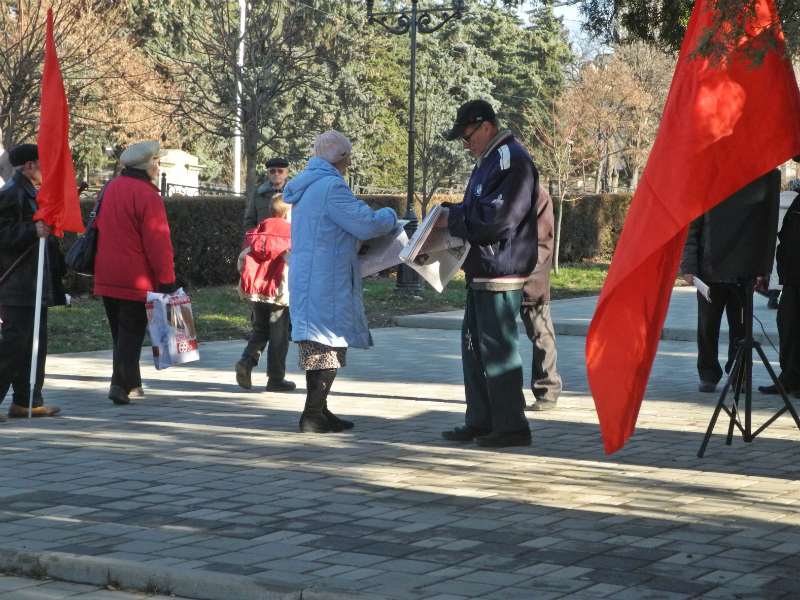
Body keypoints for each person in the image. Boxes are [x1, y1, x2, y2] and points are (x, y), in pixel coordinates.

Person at [438, 99, 539, 448]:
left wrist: (452, 218)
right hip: (483, 270)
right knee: (474, 350)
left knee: (497, 353)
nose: (465, 145)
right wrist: (449, 212)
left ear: (485, 126)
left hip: (501, 271)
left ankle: (511, 426)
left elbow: (498, 219)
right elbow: (477, 209)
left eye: (467, 137)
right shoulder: (490, 158)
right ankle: (481, 420)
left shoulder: (511, 158)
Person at [284, 130, 397, 433]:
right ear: (341, 157)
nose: (349, 163)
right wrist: (391, 214)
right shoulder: (331, 187)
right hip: (326, 280)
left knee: (319, 344)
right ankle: (312, 414)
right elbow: (367, 223)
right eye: (348, 157)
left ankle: (319, 410)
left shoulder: (307, 185)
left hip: (310, 277)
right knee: (327, 345)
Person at [93, 141, 177, 406]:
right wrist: (167, 279)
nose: (158, 167)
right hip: (136, 278)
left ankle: (132, 381)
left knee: (119, 332)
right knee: (131, 333)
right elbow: (158, 241)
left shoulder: (109, 188)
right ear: (147, 166)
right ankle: (118, 385)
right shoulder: (148, 195)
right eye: (157, 162)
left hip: (106, 273)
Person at [0, 144, 64, 419]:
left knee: (34, 345)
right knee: (13, 346)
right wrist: (31, 229)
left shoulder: (32, 192)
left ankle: (27, 401)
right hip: (17, 282)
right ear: (29, 166)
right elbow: (2, 233)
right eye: (43, 163)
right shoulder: (11, 193)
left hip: (33, 283)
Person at [235, 194, 295, 392]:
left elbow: (242, 260)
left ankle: (246, 360)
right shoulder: (292, 232)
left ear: (270, 211)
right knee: (279, 333)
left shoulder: (257, 230)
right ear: (287, 215)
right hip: (279, 290)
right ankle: (276, 379)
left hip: (256, 288)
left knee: (260, 328)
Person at [520, 184, 562, 411]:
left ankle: (547, 389)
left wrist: (523, 265)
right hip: (500, 273)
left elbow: (543, 242)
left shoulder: (538, 194)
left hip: (530, 274)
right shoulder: (501, 186)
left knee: (540, 332)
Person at [759, 178, 800, 397]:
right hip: (792, 278)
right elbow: (784, 236)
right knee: (788, 327)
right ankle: (788, 379)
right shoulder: (797, 201)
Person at [765, 179, 800, 309]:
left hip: (774, 238)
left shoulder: (777, 200)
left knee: (774, 267)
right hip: (791, 241)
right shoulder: (797, 202)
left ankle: (773, 297)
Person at [243, 157, 290, 231]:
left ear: (286, 173)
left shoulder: (294, 193)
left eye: (280, 171)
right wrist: (254, 236)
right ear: (268, 173)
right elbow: (249, 221)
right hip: (264, 237)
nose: (276, 174)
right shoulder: (258, 194)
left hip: (288, 237)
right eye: (272, 171)